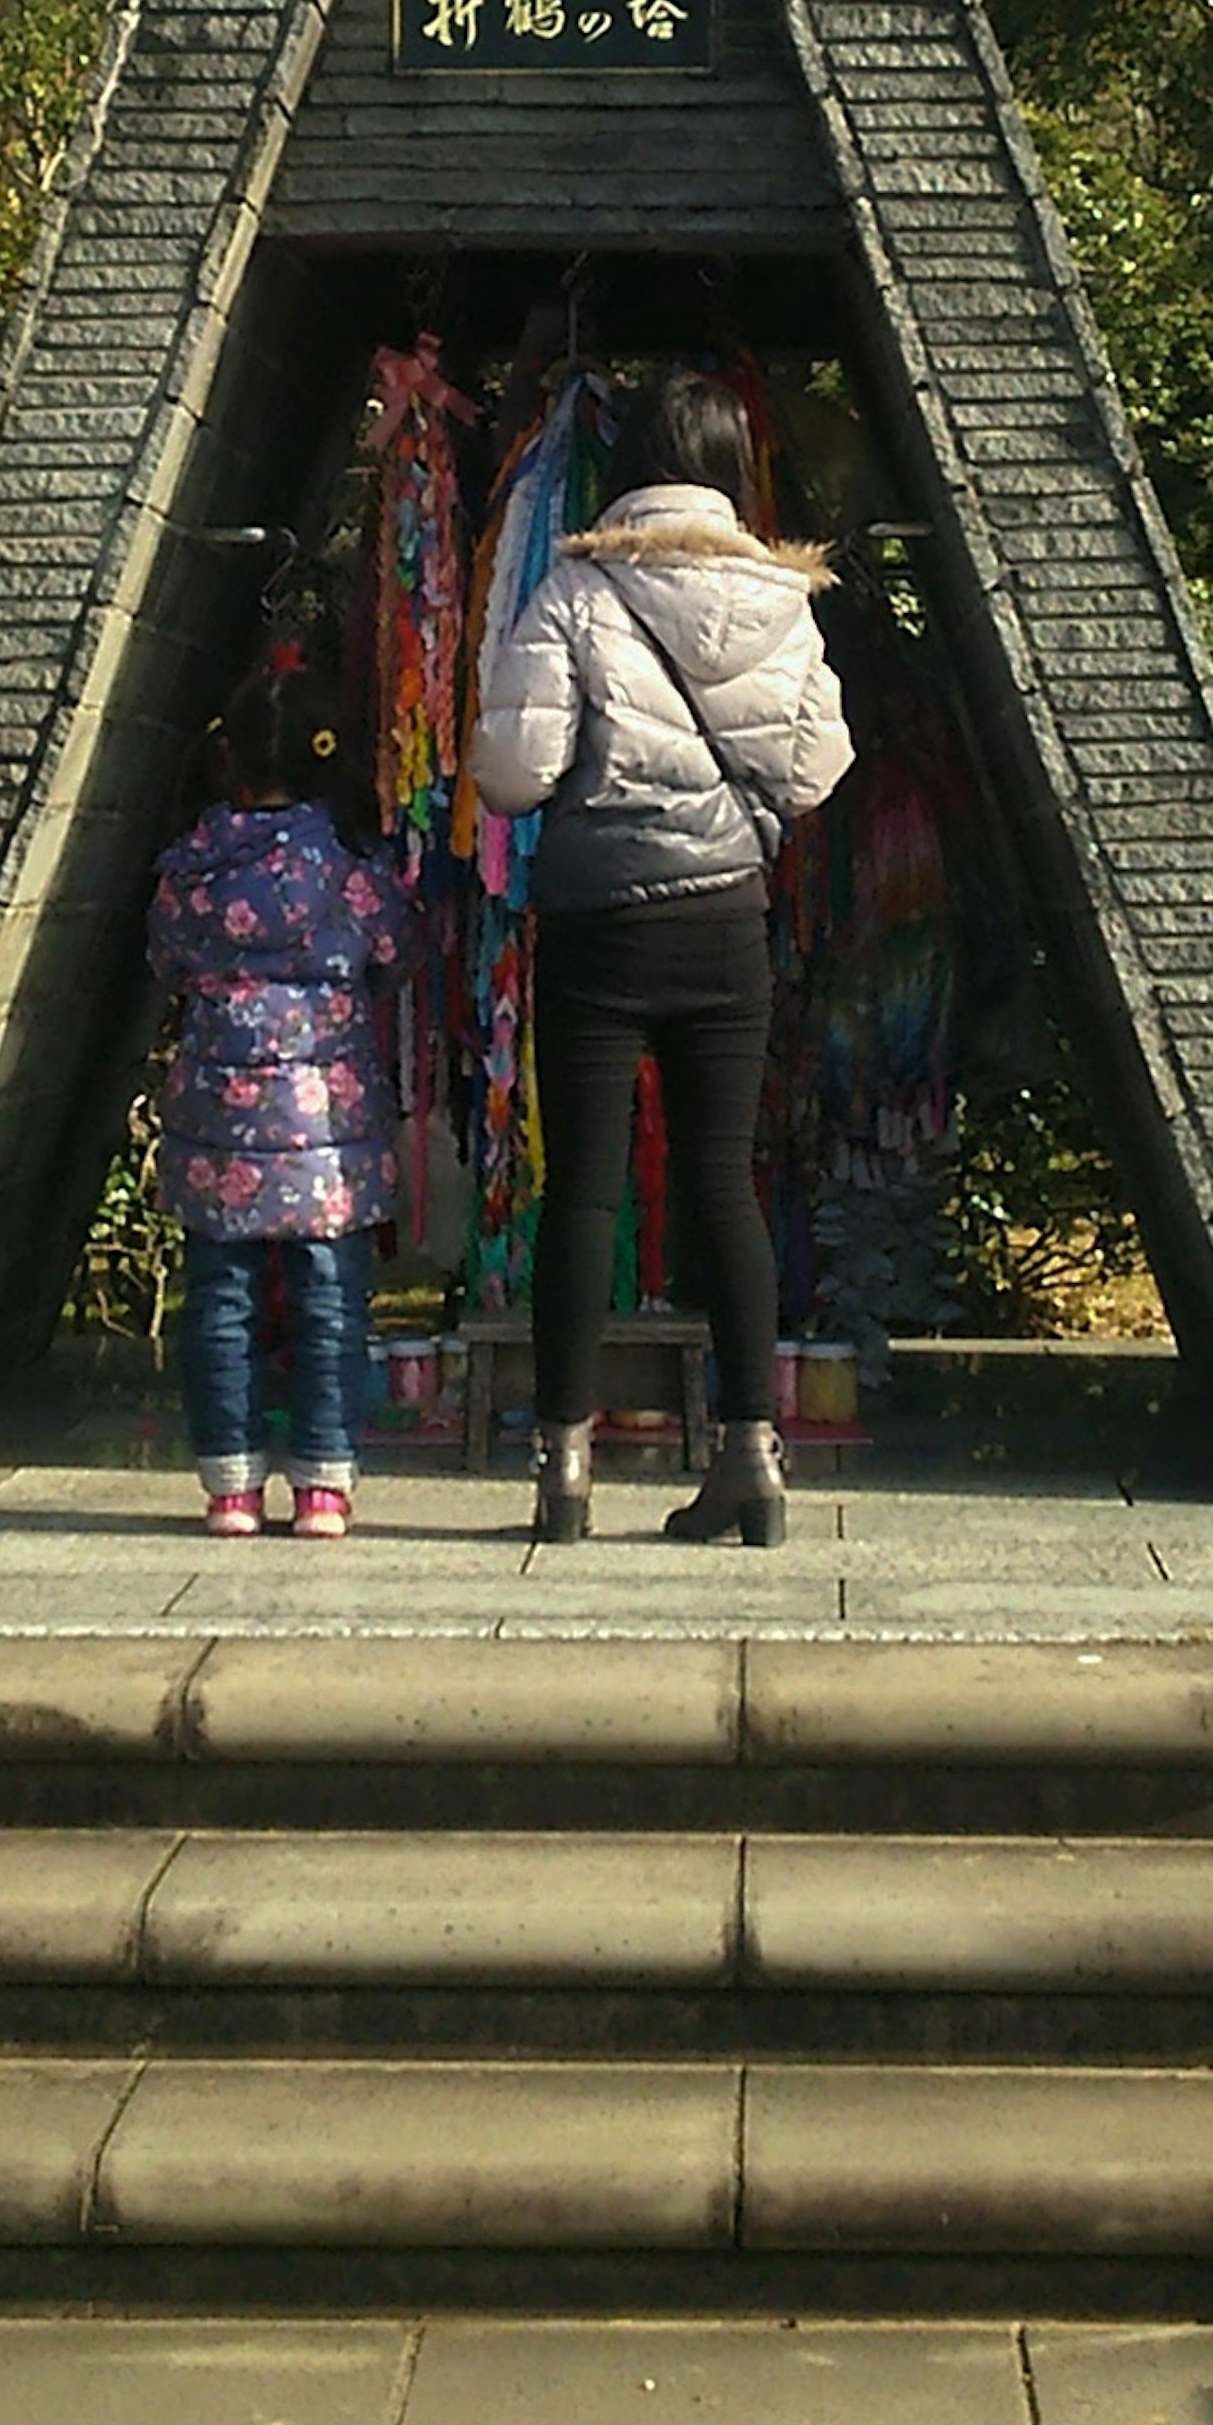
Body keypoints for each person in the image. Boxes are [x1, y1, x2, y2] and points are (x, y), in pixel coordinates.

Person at [466, 368, 850, 1546]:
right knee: (723, 1185)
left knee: (581, 1192)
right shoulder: (782, 599)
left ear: (625, 463)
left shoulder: (578, 591)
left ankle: (564, 1473)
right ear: (735, 466)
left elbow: (512, 774)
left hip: (598, 924)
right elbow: (820, 763)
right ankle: (753, 1464)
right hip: (725, 916)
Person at [146, 660, 406, 1534]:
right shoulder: (347, 864)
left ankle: (230, 1486)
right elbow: (392, 953)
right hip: (322, 1123)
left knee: (221, 1296)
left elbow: (166, 963)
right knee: (330, 1296)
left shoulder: (189, 864)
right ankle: (323, 1485)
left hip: (215, 1113)